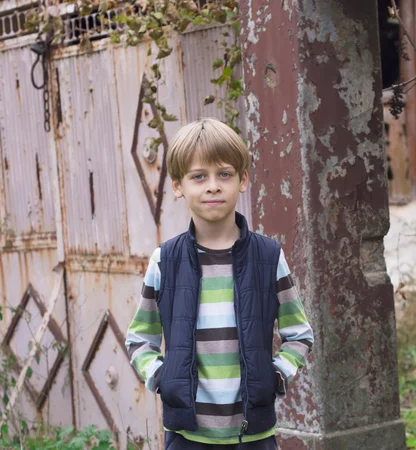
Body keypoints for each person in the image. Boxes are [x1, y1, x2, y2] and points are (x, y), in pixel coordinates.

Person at [125, 118, 314, 450]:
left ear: (242, 180)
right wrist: (163, 379)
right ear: (178, 185)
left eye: (223, 174)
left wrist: (277, 376)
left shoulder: (268, 258)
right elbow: (140, 339)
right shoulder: (164, 262)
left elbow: (299, 334)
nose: (212, 186)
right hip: (187, 437)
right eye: (199, 176)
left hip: (253, 435)